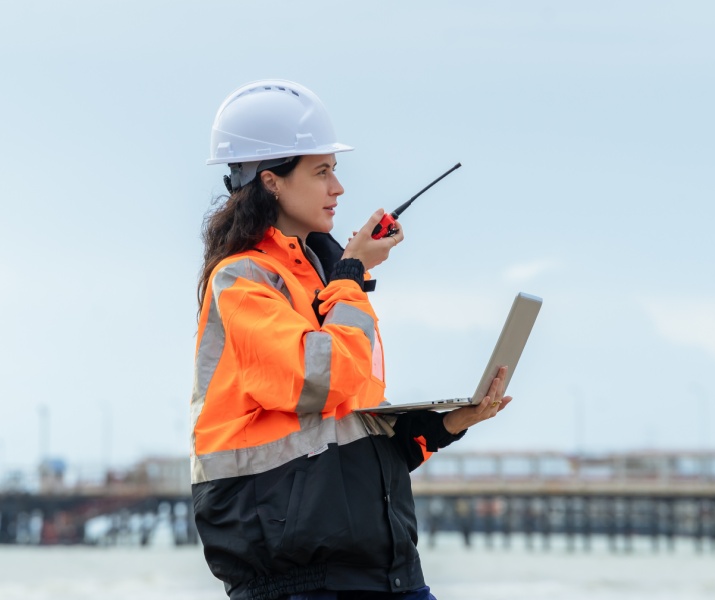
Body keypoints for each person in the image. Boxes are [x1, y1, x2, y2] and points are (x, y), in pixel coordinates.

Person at [191, 79, 512, 600]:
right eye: (322, 171)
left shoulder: (322, 279)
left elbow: (352, 434)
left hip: (385, 573)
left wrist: (452, 422)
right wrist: (352, 273)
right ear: (272, 182)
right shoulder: (245, 280)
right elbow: (321, 378)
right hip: (304, 582)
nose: (338, 187)